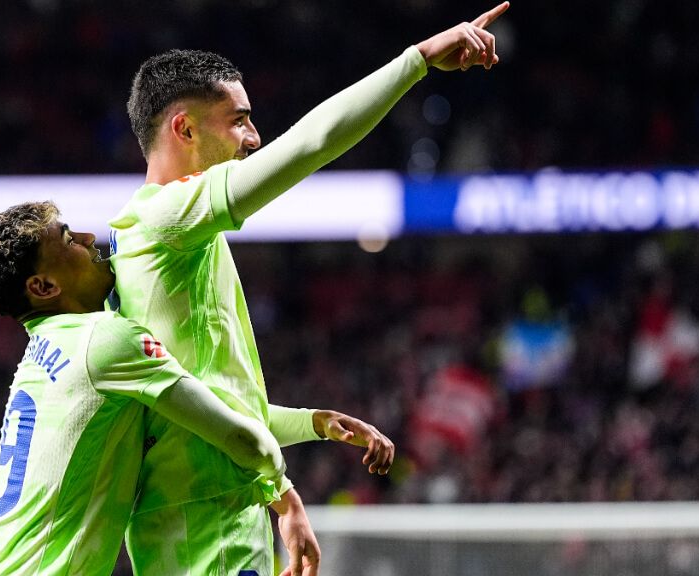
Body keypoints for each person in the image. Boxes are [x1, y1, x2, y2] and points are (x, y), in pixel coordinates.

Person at [111, 3, 509, 575]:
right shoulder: (166, 218)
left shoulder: (179, 239)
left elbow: (211, 403)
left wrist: (314, 423)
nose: (254, 138)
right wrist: (418, 60)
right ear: (185, 128)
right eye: (239, 120)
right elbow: (310, 144)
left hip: (216, 517)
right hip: (203, 532)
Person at [0, 200, 291, 575]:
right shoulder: (102, 339)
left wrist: (313, 424)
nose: (88, 237)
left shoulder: (42, 355)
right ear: (44, 286)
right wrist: (284, 493)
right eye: (68, 240)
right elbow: (238, 437)